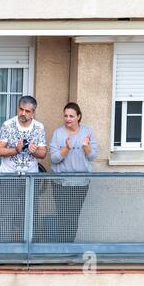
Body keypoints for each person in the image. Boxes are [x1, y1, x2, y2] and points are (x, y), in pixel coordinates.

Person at [0, 96, 47, 242]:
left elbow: (43, 153)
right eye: (21, 109)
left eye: (27, 111)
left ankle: (28, 248)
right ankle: (4, 249)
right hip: (9, 176)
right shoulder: (8, 125)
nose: (23, 113)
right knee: (6, 214)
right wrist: (15, 150)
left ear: (33, 113)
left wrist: (34, 151)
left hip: (30, 177)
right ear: (18, 108)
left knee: (30, 213)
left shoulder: (39, 127)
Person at [49, 102, 97, 242]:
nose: (68, 119)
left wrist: (86, 146)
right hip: (60, 183)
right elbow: (54, 159)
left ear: (78, 117)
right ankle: (62, 248)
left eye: (71, 116)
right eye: (65, 116)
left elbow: (92, 156)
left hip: (80, 183)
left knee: (73, 216)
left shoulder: (87, 132)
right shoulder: (58, 133)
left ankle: (67, 248)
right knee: (63, 216)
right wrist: (66, 149)